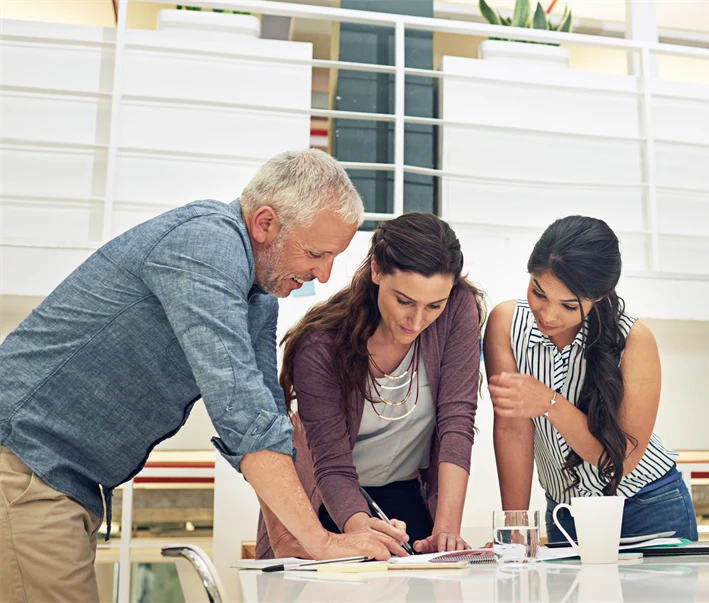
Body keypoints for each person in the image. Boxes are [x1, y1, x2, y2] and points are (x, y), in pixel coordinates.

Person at [0, 149, 406, 603]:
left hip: (61, 481)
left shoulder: (259, 298)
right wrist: (322, 540)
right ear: (265, 222)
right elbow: (240, 411)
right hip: (24, 464)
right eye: (316, 253)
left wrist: (291, 540)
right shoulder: (206, 244)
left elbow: (267, 412)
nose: (324, 275)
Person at [256, 213, 484, 559]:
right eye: (404, 301)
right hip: (327, 502)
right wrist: (361, 534)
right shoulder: (320, 346)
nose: (418, 320)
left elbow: (457, 420)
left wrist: (446, 532)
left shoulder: (457, 310)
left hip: (405, 494)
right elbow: (331, 464)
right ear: (376, 270)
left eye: (433, 305)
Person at [485, 216, 698, 543]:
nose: (548, 314)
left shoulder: (634, 340)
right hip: (565, 513)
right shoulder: (505, 323)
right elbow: (513, 428)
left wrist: (550, 404)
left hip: (646, 506)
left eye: (569, 305)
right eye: (538, 293)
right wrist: (517, 527)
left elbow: (621, 462)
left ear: (597, 297)